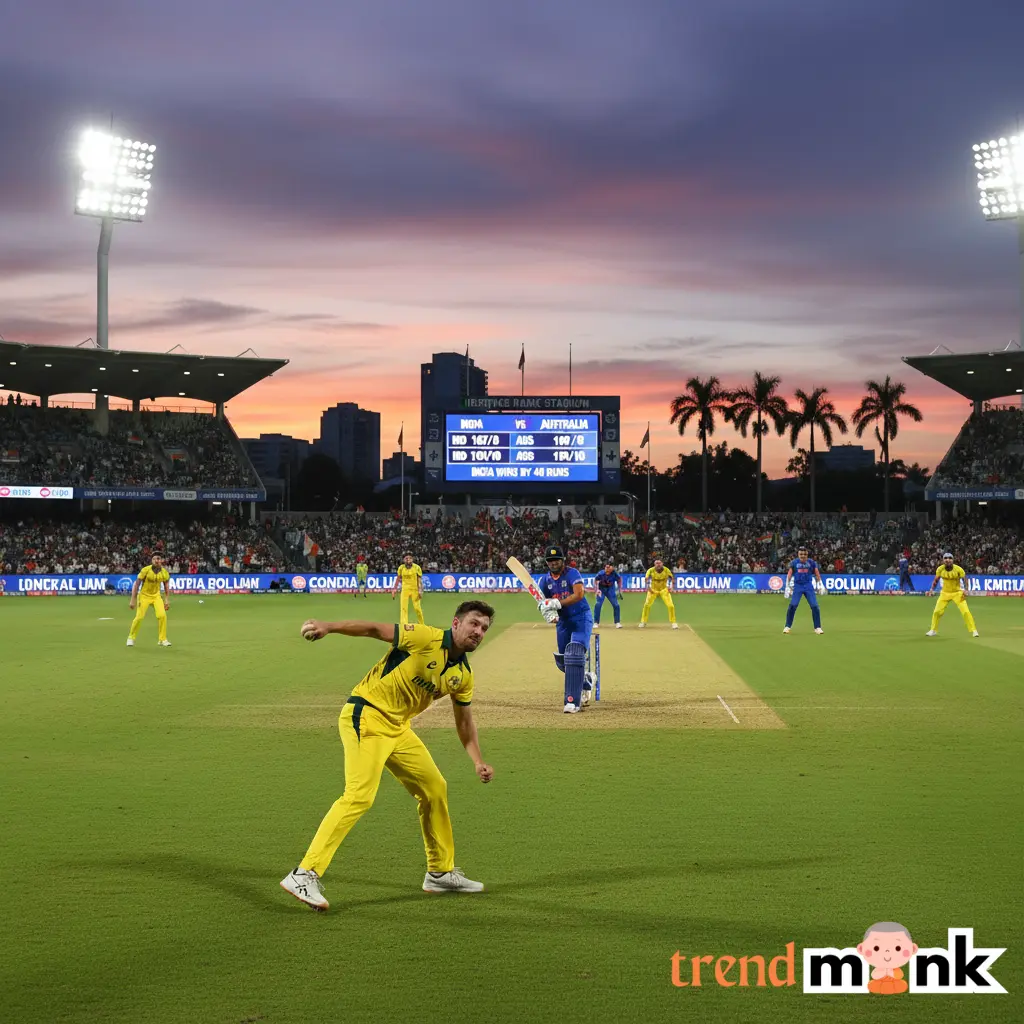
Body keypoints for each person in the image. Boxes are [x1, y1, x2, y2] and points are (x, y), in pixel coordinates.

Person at [280, 601, 496, 911]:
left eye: (484, 628)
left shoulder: (462, 675)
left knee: (434, 788)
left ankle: (440, 872)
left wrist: (477, 760)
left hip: (397, 727)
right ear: (457, 623)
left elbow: (465, 723)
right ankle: (304, 873)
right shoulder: (426, 638)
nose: (479, 631)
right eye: (474, 623)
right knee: (359, 796)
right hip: (366, 713)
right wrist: (329, 626)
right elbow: (374, 629)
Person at [537, 546, 595, 714]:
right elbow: (544, 603)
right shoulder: (544, 580)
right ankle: (586, 678)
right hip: (563, 622)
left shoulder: (572, 573)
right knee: (563, 662)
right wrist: (548, 613)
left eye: (557, 560)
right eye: (550, 561)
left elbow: (579, 594)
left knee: (575, 653)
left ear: (563, 560)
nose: (553, 563)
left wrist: (558, 603)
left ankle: (572, 701)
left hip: (581, 618)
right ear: (547, 563)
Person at [926, 553, 978, 637]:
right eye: (945, 558)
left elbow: (965, 579)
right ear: (943, 560)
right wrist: (931, 590)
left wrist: (966, 590)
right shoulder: (940, 569)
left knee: (965, 611)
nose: (948, 560)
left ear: (953, 560)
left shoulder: (958, 569)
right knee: (937, 612)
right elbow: (936, 580)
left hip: (957, 593)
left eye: (950, 558)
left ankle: (974, 630)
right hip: (945, 593)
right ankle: (933, 630)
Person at [127, 553, 171, 647]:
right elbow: (136, 584)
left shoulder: (164, 572)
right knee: (139, 617)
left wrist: (167, 600)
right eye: (154, 559)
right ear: (152, 560)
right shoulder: (146, 570)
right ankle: (131, 638)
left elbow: (166, 586)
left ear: (161, 560)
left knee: (162, 615)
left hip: (156, 596)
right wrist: (133, 600)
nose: (156, 560)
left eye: (158, 558)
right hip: (144, 596)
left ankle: (162, 639)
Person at [783, 546, 824, 634]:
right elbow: (789, 574)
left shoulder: (811, 562)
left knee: (814, 606)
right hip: (798, 586)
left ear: (807, 554)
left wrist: (821, 584)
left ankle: (817, 627)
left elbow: (817, 573)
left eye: (804, 554)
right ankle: (787, 626)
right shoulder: (794, 562)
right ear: (798, 554)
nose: (803, 556)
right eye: (801, 554)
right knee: (793, 605)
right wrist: (787, 586)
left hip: (808, 586)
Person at [639, 558, 677, 629]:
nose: (658, 565)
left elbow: (672, 578)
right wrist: (648, 588)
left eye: (659, 563)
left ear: (662, 564)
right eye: (656, 563)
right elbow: (646, 579)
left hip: (664, 590)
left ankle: (673, 622)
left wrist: (672, 587)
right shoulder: (650, 570)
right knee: (647, 605)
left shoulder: (666, 570)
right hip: (653, 590)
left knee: (671, 606)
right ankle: (643, 621)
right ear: (654, 564)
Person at [392, 552, 425, 625]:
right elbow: (398, 579)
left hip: (415, 590)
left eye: (410, 558)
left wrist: (420, 590)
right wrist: (394, 589)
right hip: (405, 590)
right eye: (406, 558)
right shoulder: (401, 568)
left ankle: (421, 623)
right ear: (404, 560)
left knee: (417, 608)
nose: (408, 560)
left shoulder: (417, 567)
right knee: (403, 608)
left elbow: (419, 580)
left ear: (412, 559)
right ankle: (404, 624)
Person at [592, 561, 624, 629]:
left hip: (610, 590)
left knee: (616, 605)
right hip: (601, 590)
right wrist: (596, 590)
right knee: (598, 604)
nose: (606, 568)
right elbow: (595, 581)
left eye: (608, 567)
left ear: (612, 568)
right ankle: (596, 622)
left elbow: (619, 580)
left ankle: (617, 622)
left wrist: (619, 589)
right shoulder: (601, 573)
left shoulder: (614, 573)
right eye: (606, 567)